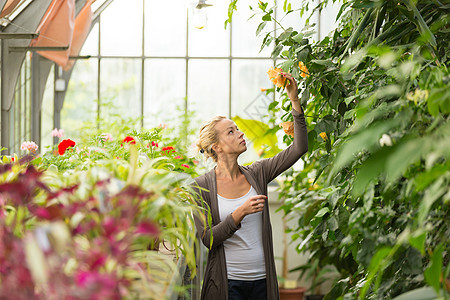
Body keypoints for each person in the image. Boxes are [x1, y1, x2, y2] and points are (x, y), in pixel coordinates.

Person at [192, 72, 308, 300]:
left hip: (262, 283)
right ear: (217, 147)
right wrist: (240, 213)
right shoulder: (201, 187)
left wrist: (295, 101)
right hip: (228, 284)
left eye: (237, 128)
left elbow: (299, 148)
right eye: (231, 132)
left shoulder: (258, 172)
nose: (240, 133)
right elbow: (208, 239)